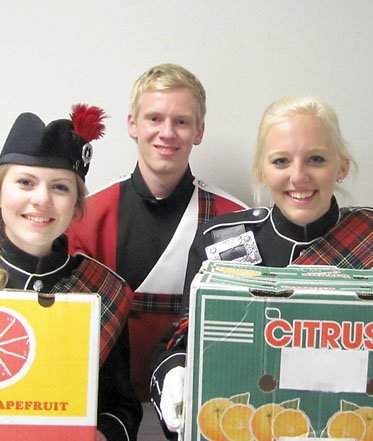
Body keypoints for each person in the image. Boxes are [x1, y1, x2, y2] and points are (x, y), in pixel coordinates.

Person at [151, 95, 373, 439]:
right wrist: (175, 373)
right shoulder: (219, 240)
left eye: (316, 159)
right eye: (280, 161)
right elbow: (180, 341)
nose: (298, 176)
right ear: (262, 170)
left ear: (342, 167)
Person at [0, 104, 142, 441]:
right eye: (25, 182)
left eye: (60, 187)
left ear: (76, 206)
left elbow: (121, 410)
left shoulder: (105, 292)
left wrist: (102, 436)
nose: (42, 199)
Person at [65, 63, 246, 404]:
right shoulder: (85, 217)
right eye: (154, 119)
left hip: (202, 404)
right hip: (106, 407)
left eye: (181, 121)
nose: (167, 132)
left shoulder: (234, 221)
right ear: (132, 125)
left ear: (199, 131)